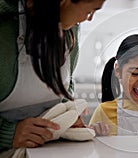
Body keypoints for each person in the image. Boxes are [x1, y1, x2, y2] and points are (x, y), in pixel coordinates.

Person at [0, 0, 106, 154]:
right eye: (90, 11)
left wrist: (67, 115)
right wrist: (8, 134)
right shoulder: (5, 25)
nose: (88, 18)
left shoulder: (70, 29)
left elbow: (65, 84)